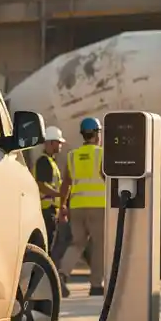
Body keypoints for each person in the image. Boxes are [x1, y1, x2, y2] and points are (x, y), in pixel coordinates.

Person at [57, 117, 106, 298]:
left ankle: (62, 274)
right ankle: (95, 285)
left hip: (76, 206)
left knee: (77, 243)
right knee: (100, 245)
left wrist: (62, 205)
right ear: (97, 134)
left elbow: (66, 184)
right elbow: (108, 179)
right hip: (98, 206)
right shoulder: (101, 155)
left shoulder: (72, 156)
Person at [34, 125, 66, 244]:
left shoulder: (50, 161)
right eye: (59, 142)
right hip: (46, 210)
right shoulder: (44, 162)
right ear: (51, 143)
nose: (60, 145)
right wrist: (59, 194)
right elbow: (41, 185)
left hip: (49, 210)